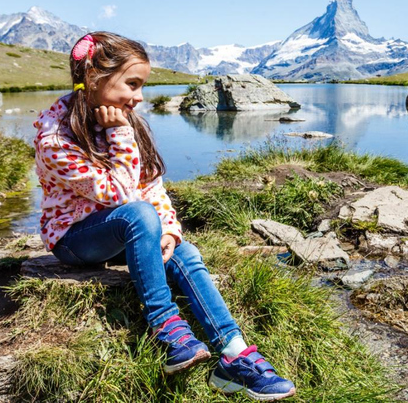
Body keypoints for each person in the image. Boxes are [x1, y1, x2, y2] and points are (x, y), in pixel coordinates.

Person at [33, 32, 296, 401]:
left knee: (183, 253)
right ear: (93, 78)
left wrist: (170, 231)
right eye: (132, 84)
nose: (140, 97)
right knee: (137, 215)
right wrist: (121, 134)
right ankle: (167, 327)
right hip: (76, 241)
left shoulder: (126, 120)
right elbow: (121, 196)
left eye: (143, 85)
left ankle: (234, 354)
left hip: (126, 232)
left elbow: (151, 186)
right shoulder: (56, 139)